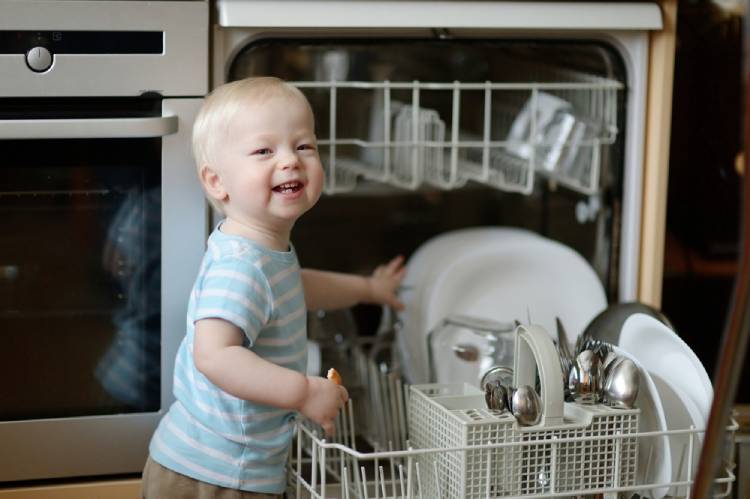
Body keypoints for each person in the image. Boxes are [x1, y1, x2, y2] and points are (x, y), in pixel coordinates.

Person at [141, 77, 406, 498]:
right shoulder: (242, 267)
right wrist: (302, 392)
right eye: (264, 151)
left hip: (224, 466)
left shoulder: (262, 249)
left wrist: (368, 288)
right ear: (216, 182)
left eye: (304, 146)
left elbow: (295, 289)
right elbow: (214, 354)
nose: (290, 161)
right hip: (216, 474)